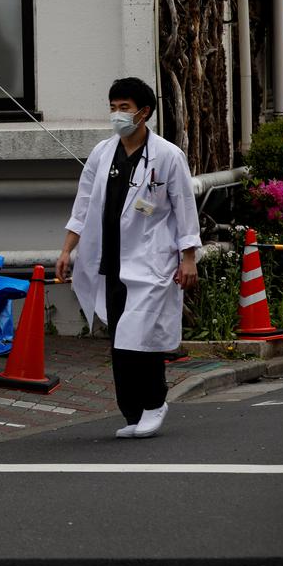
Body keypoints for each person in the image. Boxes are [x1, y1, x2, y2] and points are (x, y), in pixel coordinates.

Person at [55, 78, 199, 439]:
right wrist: (67, 249)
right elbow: (84, 203)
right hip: (111, 261)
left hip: (152, 261)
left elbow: (184, 207)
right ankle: (132, 411)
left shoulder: (167, 155)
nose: (117, 114)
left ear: (144, 112)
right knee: (120, 338)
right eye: (113, 107)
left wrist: (188, 258)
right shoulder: (103, 153)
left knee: (140, 337)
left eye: (124, 107)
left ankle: (154, 403)